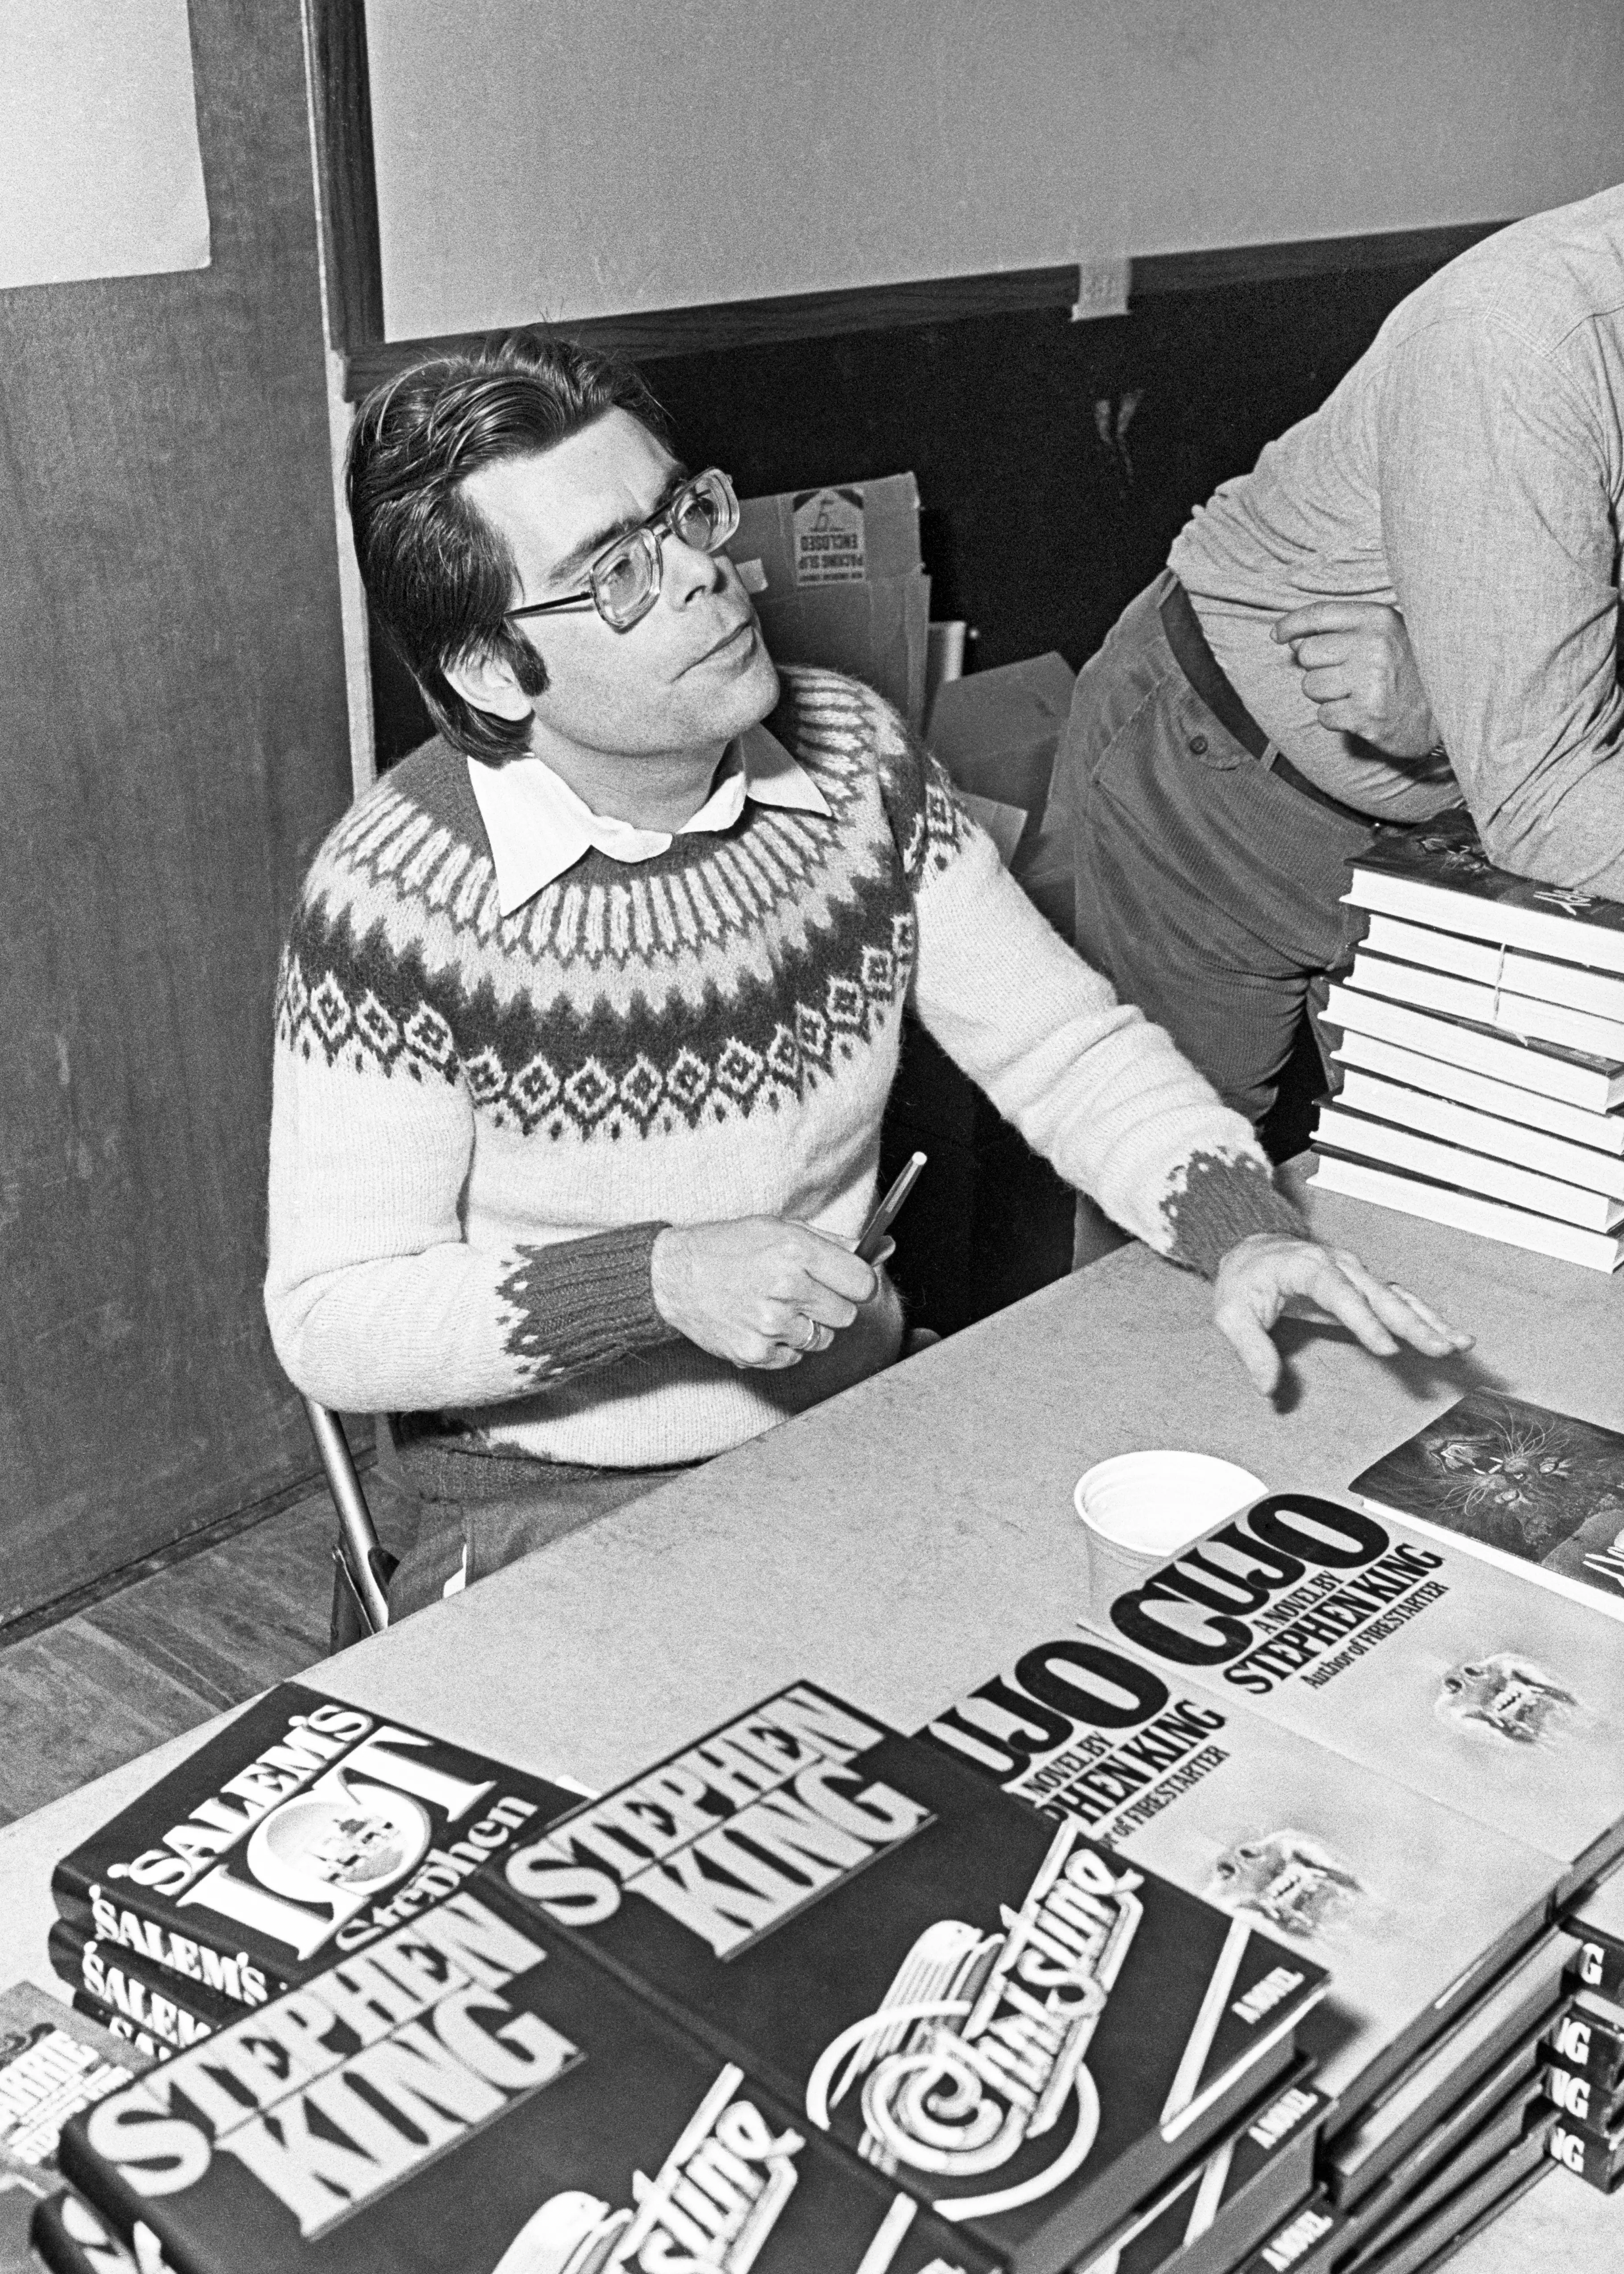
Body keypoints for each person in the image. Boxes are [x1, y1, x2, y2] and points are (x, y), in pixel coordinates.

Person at [264, 333, 1468, 1617]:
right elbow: (336, 1318)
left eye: (685, 514)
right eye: (618, 572)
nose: (707, 578)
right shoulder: (391, 903)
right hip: (539, 1502)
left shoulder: (852, 761)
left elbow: (1062, 1047)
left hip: (857, 1408)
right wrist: (656, 1278)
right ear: (492, 670)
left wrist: (1238, 1231)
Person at [1053, 183, 1624, 1132]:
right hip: (1220, 787)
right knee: (1193, 1201)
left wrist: (1460, 706)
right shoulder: (1524, 340)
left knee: (1458, 1203)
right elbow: (1544, 799)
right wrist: (1476, 718)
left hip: (1449, 826)